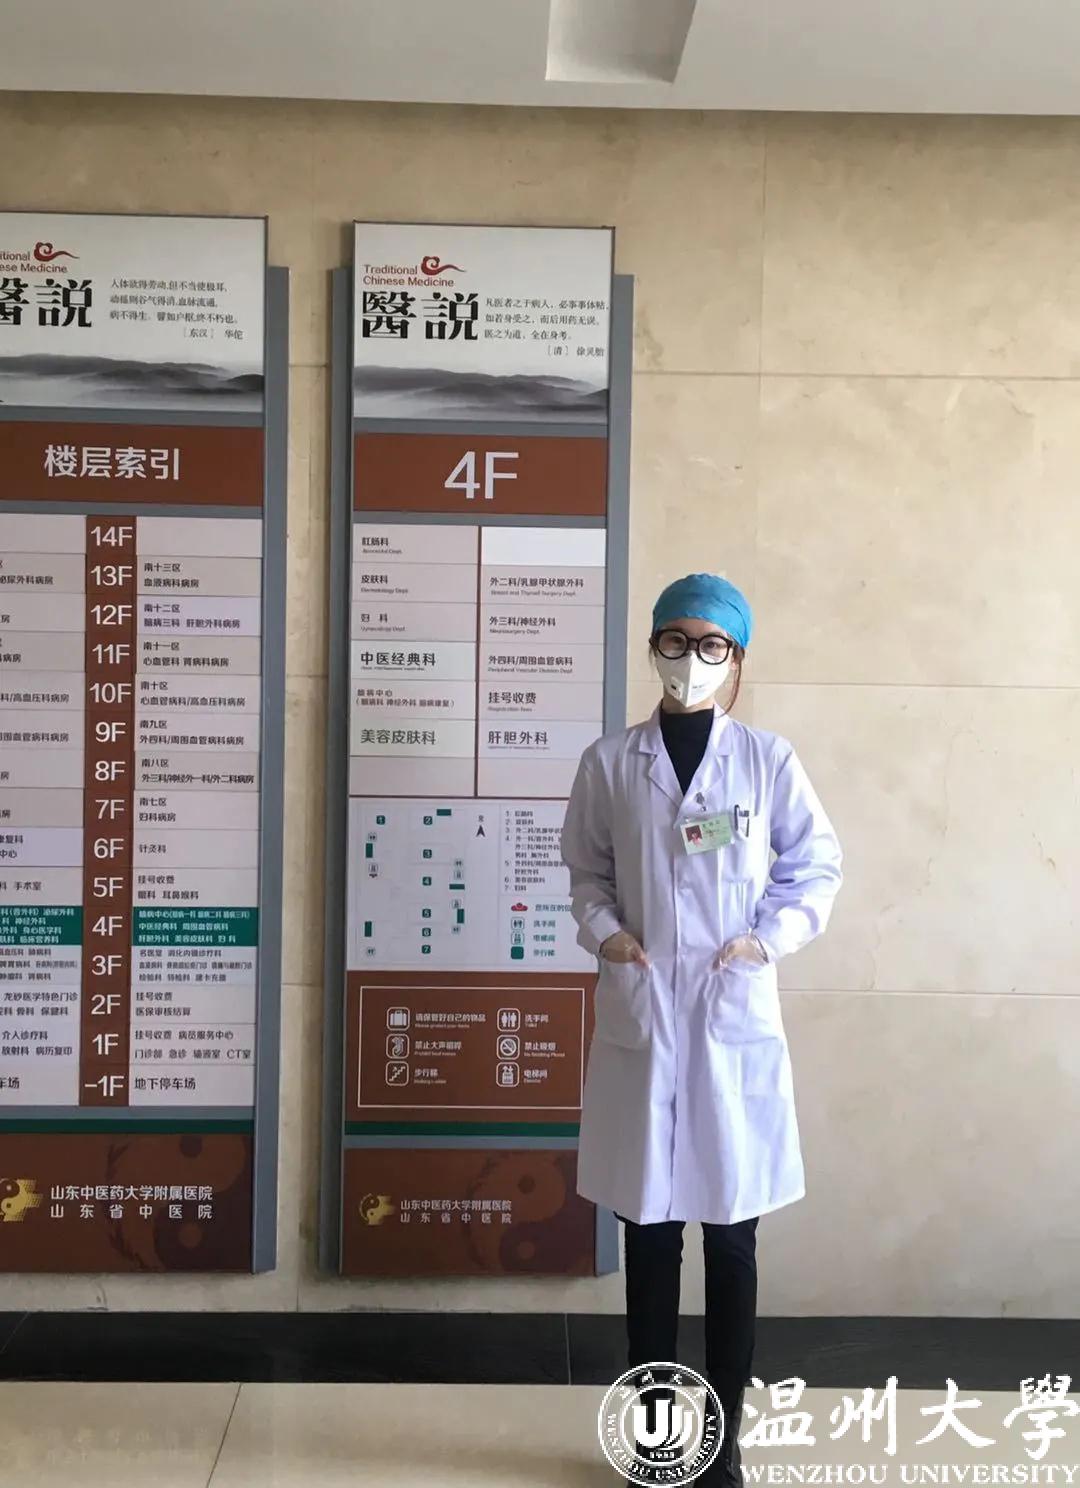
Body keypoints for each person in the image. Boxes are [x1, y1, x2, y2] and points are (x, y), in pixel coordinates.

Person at [561, 573, 842, 1486]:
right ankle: (652, 1439)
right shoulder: (611, 763)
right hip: (645, 1015)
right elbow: (586, 874)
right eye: (675, 641)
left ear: (737, 656)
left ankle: (721, 1443)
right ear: (653, 647)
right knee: (649, 1237)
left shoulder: (767, 760)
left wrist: (767, 941)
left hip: (729, 1017)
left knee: (731, 1239)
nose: (692, 660)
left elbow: (816, 866)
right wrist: (608, 934)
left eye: (710, 644)